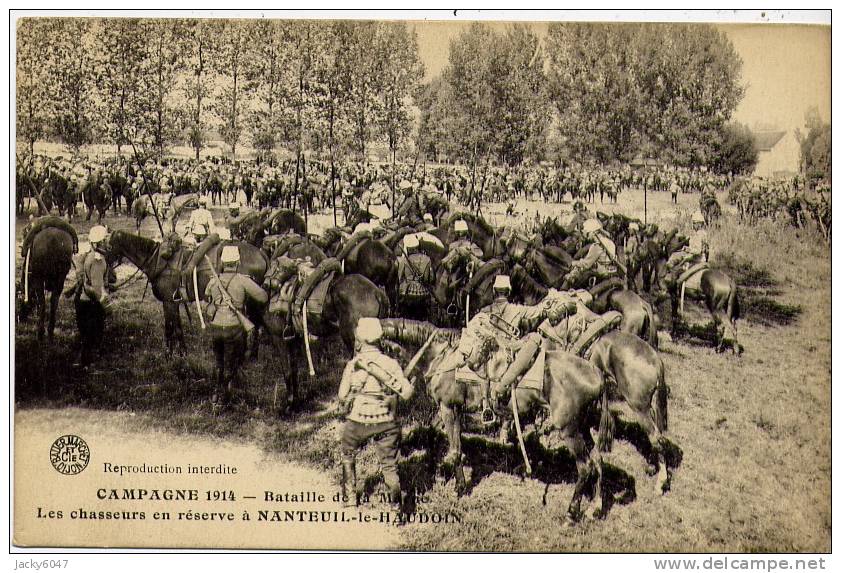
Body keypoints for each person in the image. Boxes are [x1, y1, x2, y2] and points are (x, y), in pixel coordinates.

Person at [337, 318, 414, 510]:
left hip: (358, 420)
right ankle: (396, 507)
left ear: (360, 340)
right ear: (379, 339)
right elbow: (406, 392)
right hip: (386, 420)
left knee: (347, 451)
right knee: (389, 464)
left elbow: (341, 395)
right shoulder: (391, 363)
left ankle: (349, 497)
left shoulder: (354, 364)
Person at [204, 245, 268, 399]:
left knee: (219, 361)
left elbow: (207, 296)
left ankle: (217, 391)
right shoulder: (242, 280)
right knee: (233, 361)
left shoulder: (214, 280)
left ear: (223, 263)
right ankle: (226, 394)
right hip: (234, 327)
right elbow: (263, 297)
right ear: (238, 262)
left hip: (216, 327)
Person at [70, 225, 111, 367]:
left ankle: (85, 361)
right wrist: (105, 304)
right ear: (97, 243)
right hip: (91, 303)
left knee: (86, 334)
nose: (106, 243)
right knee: (93, 334)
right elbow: (97, 288)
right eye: (104, 240)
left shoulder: (89, 255)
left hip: (83, 301)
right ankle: (88, 363)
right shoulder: (97, 260)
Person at [563, 218, 621, 289]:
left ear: (592, 233)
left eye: (587, 234)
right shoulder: (610, 242)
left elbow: (586, 264)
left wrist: (574, 263)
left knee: (574, 281)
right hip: (611, 272)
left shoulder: (596, 246)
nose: (586, 236)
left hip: (601, 273)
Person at [397, 234, 434, 320]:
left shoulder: (404, 260)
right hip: (423, 293)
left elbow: (400, 278)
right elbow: (431, 278)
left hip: (408, 294)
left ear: (408, 248)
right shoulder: (427, 259)